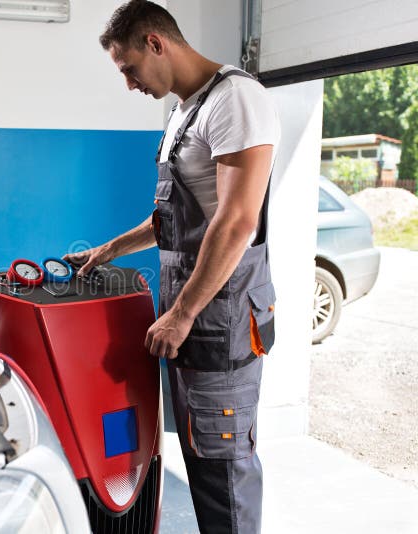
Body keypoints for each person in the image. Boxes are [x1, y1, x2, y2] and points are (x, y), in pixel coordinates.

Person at [64, 2, 279, 533]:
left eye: (130, 69)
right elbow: (175, 216)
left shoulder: (237, 100)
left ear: (156, 43)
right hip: (193, 317)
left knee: (223, 469)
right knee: (203, 461)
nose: (131, 85)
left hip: (220, 319)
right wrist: (110, 249)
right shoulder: (187, 110)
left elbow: (235, 222)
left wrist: (180, 315)